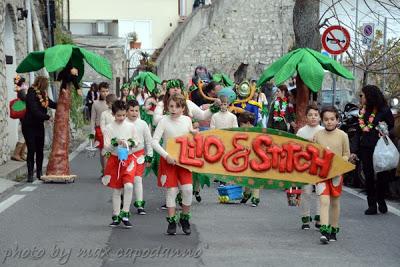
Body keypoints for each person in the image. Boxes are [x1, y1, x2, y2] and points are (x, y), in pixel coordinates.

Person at [151, 94, 198, 235]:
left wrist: (194, 134)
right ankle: (171, 221)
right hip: (169, 161)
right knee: (171, 191)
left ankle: (184, 218)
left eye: (177, 106)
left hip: (184, 162)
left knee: (188, 189)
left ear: (183, 108)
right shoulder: (164, 121)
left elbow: (191, 140)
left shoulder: (187, 120)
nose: (173, 109)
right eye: (171, 106)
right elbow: (154, 141)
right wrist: (166, 156)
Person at [350, 85, 395, 215]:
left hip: (381, 148)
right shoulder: (362, 111)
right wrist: (354, 149)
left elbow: (392, 128)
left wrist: (384, 130)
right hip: (366, 148)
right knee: (368, 176)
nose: (360, 98)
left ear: (369, 96)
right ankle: (371, 205)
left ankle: (381, 199)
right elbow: (358, 131)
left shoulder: (384, 110)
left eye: (361, 95)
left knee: (382, 175)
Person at [313, 106, 350, 244]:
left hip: (337, 174)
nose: (329, 122)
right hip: (321, 174)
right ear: (322, 121)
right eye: (326, 119)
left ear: (337, 120)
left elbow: (346, 154)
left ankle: (334, 230)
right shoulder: (317, 135)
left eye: (332, 119)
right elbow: (313, 153)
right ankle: (324, 231)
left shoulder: (343, 136)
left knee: (335, 202)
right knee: (323, 201)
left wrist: (341, 160)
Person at [102, 100, 139, 228]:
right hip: (114, 160)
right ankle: (116, 216)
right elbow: (106, 146)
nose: (122, 118)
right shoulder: (109, 128)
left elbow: (137, 141)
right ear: (113, 114)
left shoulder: (130, 126)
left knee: (128, 186)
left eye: (124, 115)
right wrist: (115, 142)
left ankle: (125, 213)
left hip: (128, 160)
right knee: (117, 189)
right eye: (119, 115)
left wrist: (129, 143)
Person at [21, 76, 57, 182]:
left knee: (40, 150)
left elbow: (50, 103)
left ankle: (40, 172)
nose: (46, 87)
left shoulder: (43, 94)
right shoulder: (31, 93)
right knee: (31, 149)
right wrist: (48, 117)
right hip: (29, 126)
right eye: (46, 85)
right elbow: (34, 110)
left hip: (39, 126)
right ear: (41, 84)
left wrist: (62, 104)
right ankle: (30, 174)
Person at [296, 104, 324, 230]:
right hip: (305, 166)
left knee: (320, 192)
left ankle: (319, 218)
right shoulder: (301, 132)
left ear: (319, 117)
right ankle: (305, 218)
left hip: (320, 166)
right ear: (306, 117)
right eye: (310, 115)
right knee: (306, 192)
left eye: (316, 115)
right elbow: (296, 149)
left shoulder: (323, 131)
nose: (313, 117)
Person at [126, 99, 153, 215]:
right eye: (131, 110)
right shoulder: (123, 123)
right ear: (126, 111)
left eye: (136, 110)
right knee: (127, 181)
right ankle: (124, 199)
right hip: (125, 156)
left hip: (139, 156)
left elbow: (148, 141)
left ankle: (139, 203)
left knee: (138, 179)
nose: (134, 113)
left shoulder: (142, 124)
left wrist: (149, 156)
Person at [238, 112, 261, 207]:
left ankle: (256, 197)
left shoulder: (257, 132)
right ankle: (247, 194)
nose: (240, 127)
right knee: (246, 176)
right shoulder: (242, 133)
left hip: (256, 158)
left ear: (248, 123)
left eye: (241, 125)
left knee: (255, 176)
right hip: (246, 157)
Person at [90, 82, 110, 175]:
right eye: (103, 91)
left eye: (106, 91)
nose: (105, 93)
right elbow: (93, 118)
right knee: (103, 151)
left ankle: (109, 170)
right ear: (99, 91)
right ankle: (104, 170)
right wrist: (92, 132)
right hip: (99, 130)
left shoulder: (112, 102)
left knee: (111, 150)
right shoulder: (95, 103)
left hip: (111, 129)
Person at [11, 75, 28, 162]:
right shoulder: (21, 91)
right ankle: (16, 154)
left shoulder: (21, 89)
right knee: (23, 135)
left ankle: (21, 154)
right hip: (24, 115)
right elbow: (25, 99)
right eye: (23, 81)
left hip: (24, 115)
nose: (25, 83)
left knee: (25, 135)